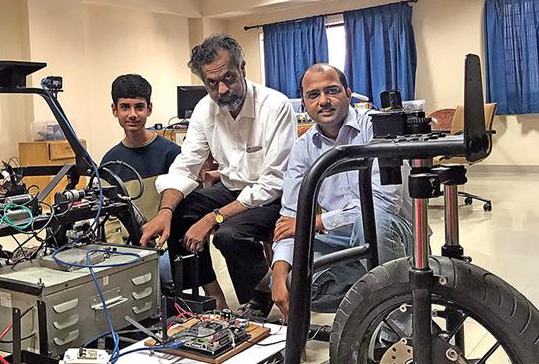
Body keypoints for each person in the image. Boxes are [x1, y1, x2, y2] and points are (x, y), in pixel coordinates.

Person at [140, 34, 296, 312]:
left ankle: (257, 302)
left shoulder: (275, 106)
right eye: (212, 83)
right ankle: (211, 299)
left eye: (228, 78)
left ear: (242, 69)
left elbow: (272, 183)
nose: (222, 89)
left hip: (275, 197)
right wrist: (164, 211)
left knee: (229, 234)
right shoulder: (205, 110)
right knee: (180, 214)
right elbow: (186, 165)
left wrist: (215, 217)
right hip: (233, 188)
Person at [271, 63, 415, 319]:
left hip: (393, 233)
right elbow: (289, 218)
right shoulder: (303, 148)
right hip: (341, 241)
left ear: (349, 94)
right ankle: (378, 299)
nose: (323, 101)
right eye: (313, 95)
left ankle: (399, 332)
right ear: (304, 103)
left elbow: (384, 204)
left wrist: (317, 221)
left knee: (370, 224)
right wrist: (279, 277)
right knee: (296, 283)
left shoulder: (374, 127)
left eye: (332, 91)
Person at [100, 74, 181, 282]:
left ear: (149, 109)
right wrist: (117, 254)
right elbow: (108, 218)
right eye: (125, 107)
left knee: (162, 271)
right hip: (128, 248)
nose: (133, 114)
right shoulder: (110, 162)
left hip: (166, 244)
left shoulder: (171, 153)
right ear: (114, 110)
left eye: (139, 107)